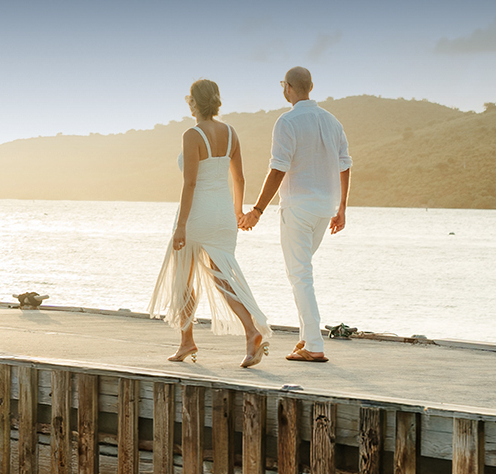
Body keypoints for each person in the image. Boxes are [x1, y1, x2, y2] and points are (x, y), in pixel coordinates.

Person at [149, 79, 272, 368]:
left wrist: (181, 225)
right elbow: (239, 178)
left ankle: (186, 340)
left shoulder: (192, 135)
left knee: (183, 277)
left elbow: (190, 183)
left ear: (194, 102)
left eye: (189, 100)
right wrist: (238, 211)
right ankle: (251, 331)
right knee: (223, 277)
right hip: (224, 215)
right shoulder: (230, 133)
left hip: (198, 213)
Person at [238, 66, 350, 363]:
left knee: (300, 274)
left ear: (287, 87)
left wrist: (257, 210)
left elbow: (278, 168)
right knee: (301, 272)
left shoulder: (287, 121)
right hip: (325, 208)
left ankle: (314, 344)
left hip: (299, 206)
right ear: (310, 87)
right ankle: (305, 339)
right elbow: (345, 164)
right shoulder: (332, 121)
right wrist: (342, 207)